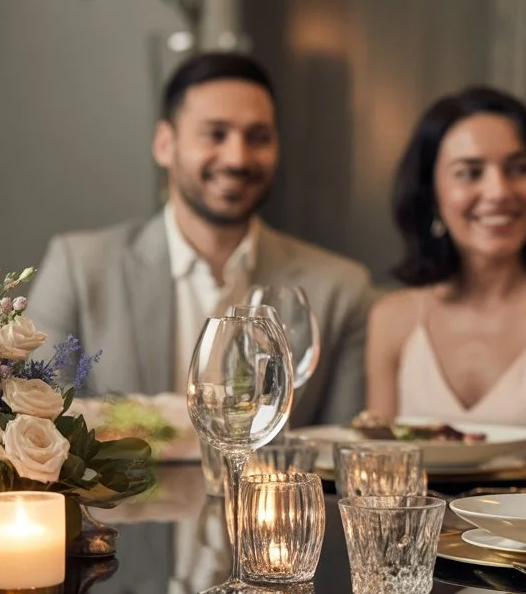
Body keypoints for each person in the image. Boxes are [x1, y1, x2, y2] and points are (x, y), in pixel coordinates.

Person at [29, 52, 374, 427]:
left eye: (258, 137)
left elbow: (340, 455)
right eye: (215, 134)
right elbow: (38, 419)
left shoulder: (340, 290)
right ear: (165, 143)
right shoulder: (79, 267)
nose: (237, 158)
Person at [364, 86, 526, 472]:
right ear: (431, 194)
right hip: (413, 535)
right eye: (470, 172)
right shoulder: (392, 318)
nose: (499, 191)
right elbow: (377, 482)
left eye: (519, 168)